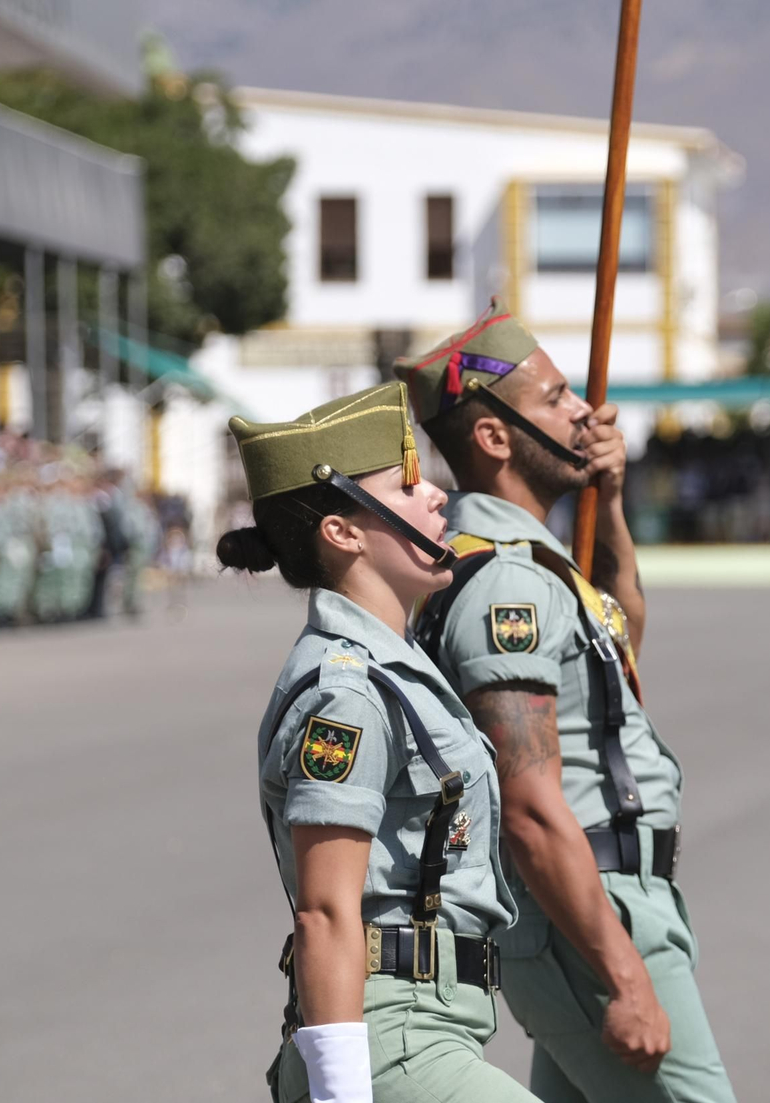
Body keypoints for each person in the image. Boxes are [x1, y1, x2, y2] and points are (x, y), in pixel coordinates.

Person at [394, 300, 735, 1103]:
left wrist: (606, 500)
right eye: (556, 398)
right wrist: (625, 975)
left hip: (605, 903)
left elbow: (622, 644)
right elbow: (530, 805)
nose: (586, 411)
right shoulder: (507, 579)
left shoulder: (534, 564)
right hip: (591, 909)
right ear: (494, 437)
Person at [220, 381, 538, 1103]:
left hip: (431, 1029)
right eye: (406, 483)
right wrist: (341, 1094)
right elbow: (326, 909)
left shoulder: (397, 663)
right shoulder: (348, 691)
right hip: (387, 1039)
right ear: (344, 530)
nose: (437, 498)